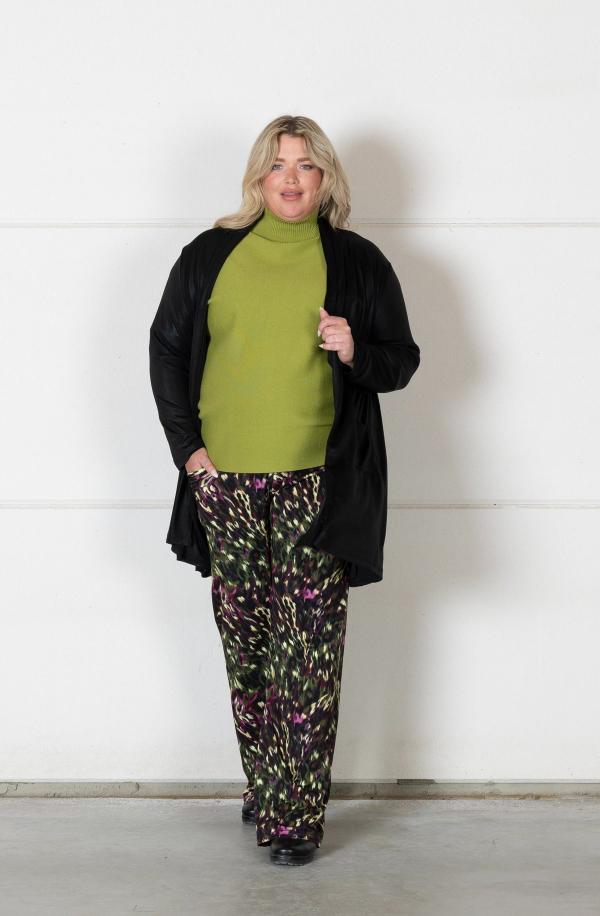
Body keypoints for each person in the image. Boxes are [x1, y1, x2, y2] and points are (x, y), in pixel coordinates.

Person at [149, 114, 420, 866]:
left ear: (325, 177)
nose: (291, 178)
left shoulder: (357, 263)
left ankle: (294, 815)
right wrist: (189, 453)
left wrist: (355, 348)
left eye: (305, 165)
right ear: (258, 177)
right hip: (225, 483)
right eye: (278, 165)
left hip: (319, 483)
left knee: (307, 649)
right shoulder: (210, 256)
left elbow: (401, 360)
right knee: (248, 645)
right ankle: (268, 780)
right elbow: (167, 350)